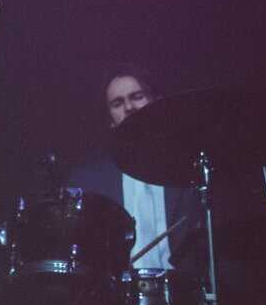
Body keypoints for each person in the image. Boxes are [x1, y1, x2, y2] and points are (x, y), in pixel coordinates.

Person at [68, 65, 202, 275]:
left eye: (137, 97)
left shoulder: (192, 169)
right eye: (117, 103)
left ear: (156, 102)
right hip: (117, 294)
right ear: (110, 120)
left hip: (184, 291)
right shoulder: (87, 182)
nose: (129, 107)